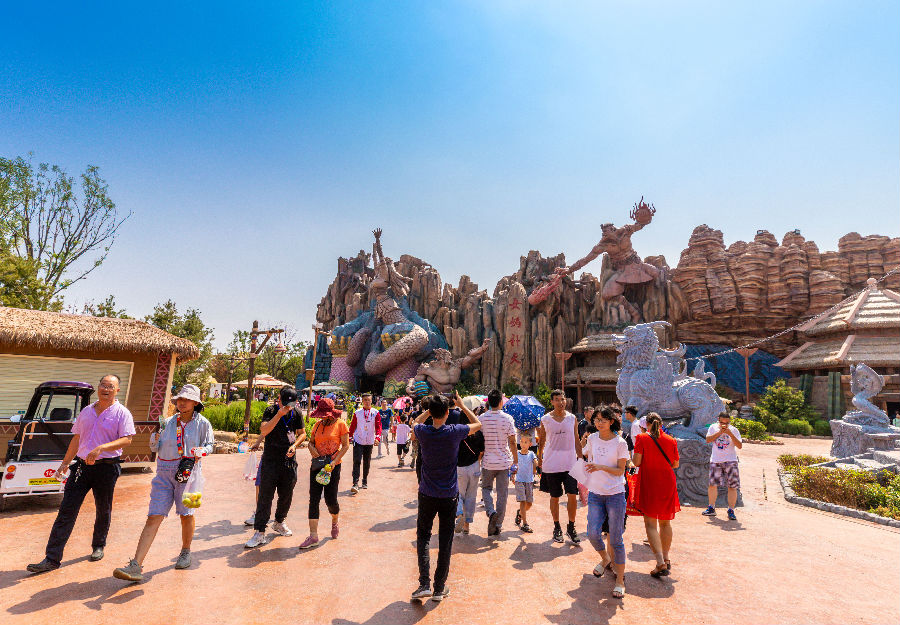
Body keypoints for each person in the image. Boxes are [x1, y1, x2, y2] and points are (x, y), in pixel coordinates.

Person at [27, 375, 135, 573]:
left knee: (103, 509)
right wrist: (65, 463)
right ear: (98, 387)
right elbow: (77, 439)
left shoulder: (122, 413)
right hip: (82, 467)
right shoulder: (86, 411)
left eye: (110, 386)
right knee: (66, 510)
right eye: (103, 385)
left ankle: (98, 545)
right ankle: (52, 558)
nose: (106, 389)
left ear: (117, 390)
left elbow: (127, 439)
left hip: (106, 468)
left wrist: (101, 448)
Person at [112, 385, 214, 582]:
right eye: (179, 399)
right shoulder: (167, 422)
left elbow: (210, 445)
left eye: (186, 399)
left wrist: (203, 451)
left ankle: (186, 551)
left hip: (191, 475)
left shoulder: (203, 423)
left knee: (187, 514)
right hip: (163, 475)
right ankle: (136, 565)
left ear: (195, 403)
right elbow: (155, 448)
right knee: (153, 516)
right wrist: (154, 440)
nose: (181, 402)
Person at [410, 393, 482, 602]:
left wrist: (428, 411)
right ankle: (439, 588)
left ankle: (424, 583)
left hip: (427, 492)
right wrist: (462, 406)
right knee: (445, 540)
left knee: (424, 536)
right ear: (448, 413)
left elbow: (414, 423)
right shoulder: (454, 431)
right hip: (449, 494)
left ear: (431, 412)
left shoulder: (423, 432)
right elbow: (477, 424)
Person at [245, 387, 306, 549]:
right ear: (279, 399)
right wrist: (279, 415)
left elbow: (302, 433)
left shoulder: (297, 413)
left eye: (290, 405)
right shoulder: (271, 411)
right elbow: (264, 430)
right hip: (271, 460)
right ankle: (259, 532)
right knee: (265, 496)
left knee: (286, 495)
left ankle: (279, 522)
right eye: (284, 404)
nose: (287, 407)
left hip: (289, 461)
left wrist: (295, 445)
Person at [584, 407, 630, 598]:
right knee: (592, 533)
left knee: (616, 539)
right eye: (596, 419)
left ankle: (620, 581)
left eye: (603, 419)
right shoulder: (592, 439)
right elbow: (587, 457)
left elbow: (620, 470)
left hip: (615, 494)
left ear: (611, 421)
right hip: (595, 493)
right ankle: (605, 559)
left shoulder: (620, 443)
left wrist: (600, 467)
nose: (599, 423)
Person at [632, 412, 680, 577]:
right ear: (661, 424)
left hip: (650, 481)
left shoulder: (642, 438)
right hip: (667, 482)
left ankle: (660, 563)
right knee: (665, 523)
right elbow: (675, 464)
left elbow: (637, 462)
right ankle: (666, 558)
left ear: (646, 424)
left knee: (650, 523)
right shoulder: (671, 440)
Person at [301, 398, 350, 548]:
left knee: (330, 500)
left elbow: (345, 446)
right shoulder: (317, 425)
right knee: (314, 499)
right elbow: (311, 442)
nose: (322, 417)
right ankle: (313, 535)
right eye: (321, 414)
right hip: (317, 466)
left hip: (333, 467)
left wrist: (335, 461)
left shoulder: (340, 424)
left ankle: (335, 520)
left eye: (324, 414)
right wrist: (311, 448)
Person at [538, 389, 582, 544]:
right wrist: (539, 458)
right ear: (552, 402)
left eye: (562, 399)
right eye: (557, 399)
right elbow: (542, 440)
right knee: (555, 497)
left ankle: (571, 527)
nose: (560, 402)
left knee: (572, 495)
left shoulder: (572, 418)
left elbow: (576, 439)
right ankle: (557, 527)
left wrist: (581, 458)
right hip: (552, 463)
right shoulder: (545, 419)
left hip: (570, 463)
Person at [479, 389, 517, 538]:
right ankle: (498, 525)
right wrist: (516, 460)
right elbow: (512, 441)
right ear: (501, 402)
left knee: (486, 488)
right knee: (502, 494)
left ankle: (491, 512)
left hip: (488, 462)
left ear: (488, 402)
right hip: (503, 463)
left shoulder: (482, 418)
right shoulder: (508, 418)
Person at [702, 411, 743, 521]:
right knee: (712, 485)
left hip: (731, 460)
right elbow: (708, 440)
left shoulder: (734, 430)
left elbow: (739, 446)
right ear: (718, 420)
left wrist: (730, 434)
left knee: (732, 486)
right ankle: (711, 507)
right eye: (722, 423)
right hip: (716, 460)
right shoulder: (713, 427)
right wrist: (719, 432)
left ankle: (731, 510)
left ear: (729, 422)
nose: (724, 425)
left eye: (727, 423)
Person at [454, 419, 484, 534]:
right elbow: (481, 452)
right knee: (471, 496)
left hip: (460, 468)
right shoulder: (479, 433)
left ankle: (459, 513)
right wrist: (477, 462)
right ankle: (467, 525)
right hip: (474, 466)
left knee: (459, 494)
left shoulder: (457, 433)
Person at [349, 392, 381, 494]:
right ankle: (355, 483)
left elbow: (378, 426)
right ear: (362, 401)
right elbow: (352, 426)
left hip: (369, 441)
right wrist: (350, 437)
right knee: (357, 461)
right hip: (358, 440)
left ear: (371, 401)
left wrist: (377, 437)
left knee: (367, 462)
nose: (367, 402)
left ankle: (364, 480)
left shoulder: (376, 412)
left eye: (369, 400)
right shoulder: (357, 413)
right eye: (365, 400)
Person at [513, 434, 538, 533]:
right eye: (522, 442)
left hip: (529, 481)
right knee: (523, 501)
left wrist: (537, 465)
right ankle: (525, 524)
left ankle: (520, 513)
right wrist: (512, 475)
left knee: (529, 503)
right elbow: (513, 465)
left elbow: (535, 461)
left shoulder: (531, 454)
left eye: (526, 442)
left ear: (530, 444)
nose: (523, 444)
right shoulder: (517, 454)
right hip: (519, 480)